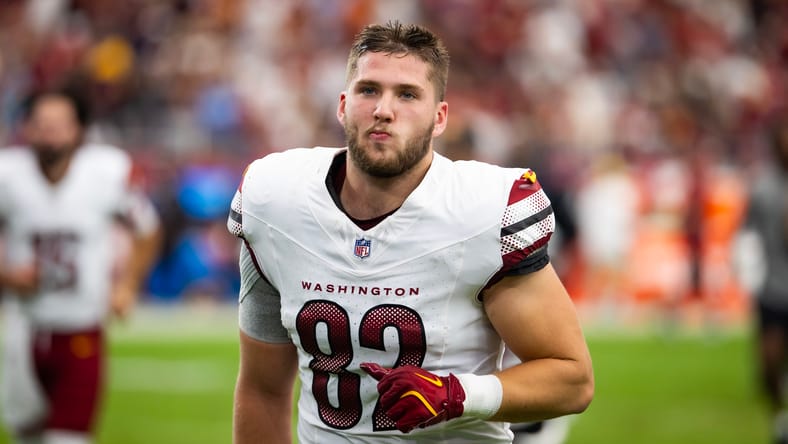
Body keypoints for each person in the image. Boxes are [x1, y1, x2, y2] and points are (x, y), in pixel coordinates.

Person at [228, 21, 594, 443]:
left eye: (407, 94)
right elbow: (262, 388)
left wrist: (457, 394)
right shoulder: (276, 199)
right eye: (369, 90)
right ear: (343, 105)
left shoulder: (483, 209)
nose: (384, 109)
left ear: (439, 118)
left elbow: (572, 379)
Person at [0, 88, 162, 444]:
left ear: (79, 130)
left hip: (81, 330)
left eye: (59, 125)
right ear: (25, 128)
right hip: (22, 330)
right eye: (41, 125)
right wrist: (6, 275)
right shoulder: (8, 175)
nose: (50, 134)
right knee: (25, 437)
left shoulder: (105, 172)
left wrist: (128, 283)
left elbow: (147, 230)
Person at [740, 113, 788, 444]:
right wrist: (749, 273)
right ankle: (778, 413)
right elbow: (747, 234)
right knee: (769, 361)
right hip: (773, 288)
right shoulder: (763, 187)